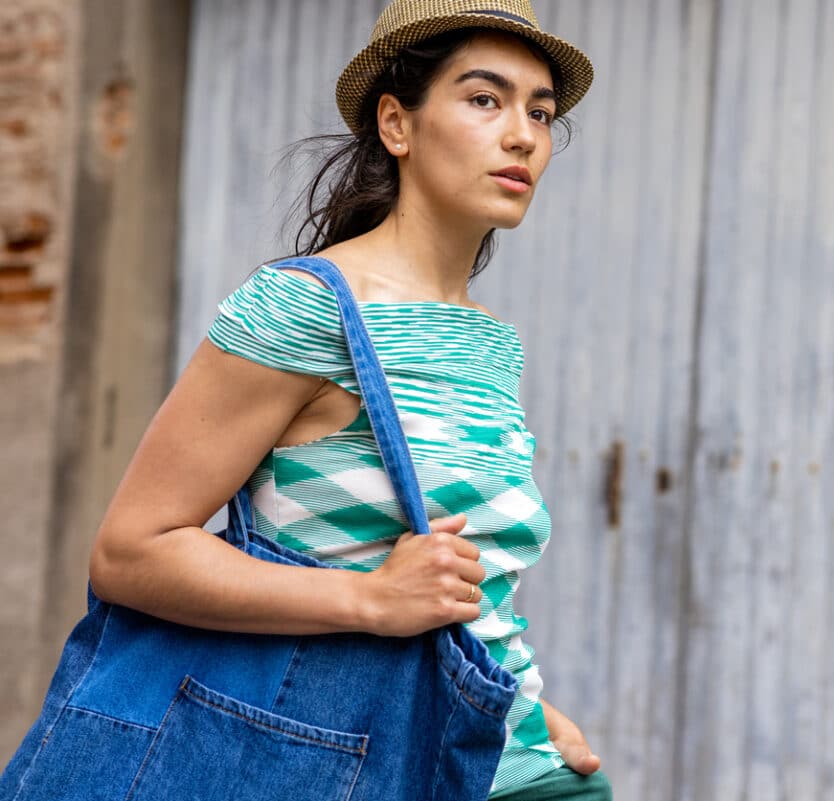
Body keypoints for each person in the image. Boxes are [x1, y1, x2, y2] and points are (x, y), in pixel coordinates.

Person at [86, 2, 610, 799]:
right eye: (484, 99)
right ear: (397, 124)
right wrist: (366, 598)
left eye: (540, 112)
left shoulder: (487, 341)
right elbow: (132, 550)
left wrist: (527, 703)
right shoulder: (306, 310)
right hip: (354, 767)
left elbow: (461, 585)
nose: (523, 135)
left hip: (511, 763)